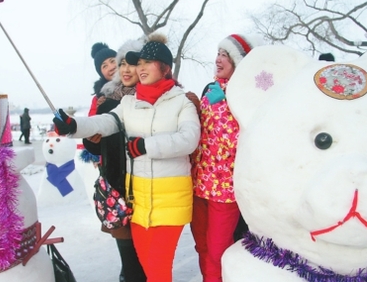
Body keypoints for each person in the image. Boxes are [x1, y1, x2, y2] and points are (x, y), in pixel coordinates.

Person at [53, 33, 200, 282]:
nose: (140, 68)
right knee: (145, 265)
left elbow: (189, 139)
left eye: (146, 63)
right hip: (139, 201)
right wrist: (73, 126)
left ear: (164, 67)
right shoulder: (129, 103)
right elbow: (105, 122)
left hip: (171, 200)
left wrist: (146, 146)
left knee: (158, 270)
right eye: (137, 63)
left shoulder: (181, 102)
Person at [190, 34, 265, 282]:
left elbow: (248, 140)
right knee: (201, 246)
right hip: (199, 185)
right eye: (218, 53)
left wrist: (227, 103)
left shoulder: (249, 96)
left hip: (225, 190)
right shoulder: (209, 90)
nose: (218, 59)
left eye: (225, 55)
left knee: (218, 250)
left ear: (238, 62)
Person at [83, 37, 147, 282]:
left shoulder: (142, 89)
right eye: (105, 66)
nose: (111, 68)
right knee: (123, 231)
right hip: (115, 174)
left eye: (113, 61)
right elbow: (91, 137)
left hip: (142, 172)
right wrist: (91, 136)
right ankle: (129, 274)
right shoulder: (101, 99)